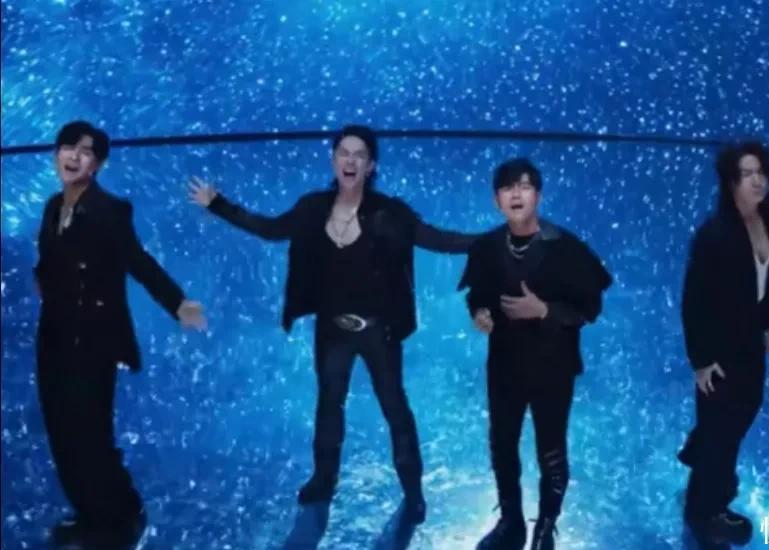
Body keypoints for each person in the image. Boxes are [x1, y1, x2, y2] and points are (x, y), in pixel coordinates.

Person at [188, 124, 476, 524]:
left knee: (395, 408)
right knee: (328, 406)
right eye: (344, 153)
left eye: (360, 155)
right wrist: (218, 204)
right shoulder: (312, 208)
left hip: (378, 331)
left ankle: (413, 491)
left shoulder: (389, 213)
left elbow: (438, 239)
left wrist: (492, 240)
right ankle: (324, 480)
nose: (351, 161)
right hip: (332, 330)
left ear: (371, 166)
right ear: (333, 160)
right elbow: (270, 229)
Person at [34, 120, 207, 547]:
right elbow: (51, 260)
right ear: (57, 153)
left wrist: (178, 303)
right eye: (68, 147)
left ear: (98, 164)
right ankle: (88, 513)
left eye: (86, 151)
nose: (75, 156)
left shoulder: (110, 210)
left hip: (94, 339)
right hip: (54, 336)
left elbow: (138, 262)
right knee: (61, 432)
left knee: (90, 433)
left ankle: (124, 515)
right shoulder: (53, 207)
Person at [458, 158, 612, 550]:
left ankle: (545, 527)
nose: (516, 194)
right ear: (496, 200)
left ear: (538, 196)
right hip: (504, 364)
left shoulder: (566, 248)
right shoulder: (487, 248)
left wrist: (543, 310)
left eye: (524, 186)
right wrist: (480, 313)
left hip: (553, 365)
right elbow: (477, 294)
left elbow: (590, 308)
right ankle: (511, 523)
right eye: (507, 187)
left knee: (551, 450)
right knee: (502, 444)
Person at [678, 141, 769, 546]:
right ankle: (704, 513)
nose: (757, 180)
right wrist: (701, 361)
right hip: (718, 346)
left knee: (742, 413)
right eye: (747, 174)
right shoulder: (714, 234)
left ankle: (704, 467)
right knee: (721, 430)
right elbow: (693, 300)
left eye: (761, 172)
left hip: (750, 340)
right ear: (730, 181)